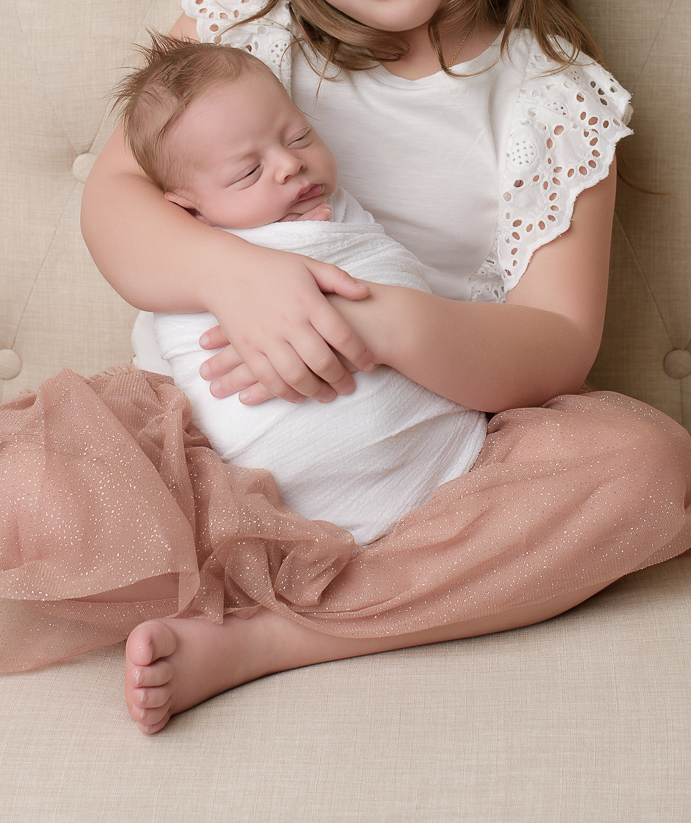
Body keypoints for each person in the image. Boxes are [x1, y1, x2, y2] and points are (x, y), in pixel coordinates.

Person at [0, 0, 691, 735]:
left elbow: (557, 346)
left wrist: (375, 326)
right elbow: (114, 202)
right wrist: (235, 275)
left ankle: (274, 638)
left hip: (426, 465)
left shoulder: (550, 96)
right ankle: (240, 566)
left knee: (637, 475)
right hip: (210, 451)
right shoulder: (253, 17)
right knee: (28, 487)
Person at [114, 32, 488, 546]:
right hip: (271, 510)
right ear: (189, 209)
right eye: (248, 171)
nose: (290, 164)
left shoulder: (342, 213)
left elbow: (392, 276)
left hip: (448, 472)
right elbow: (168, 360)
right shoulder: (184, 258)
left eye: (298, 137)